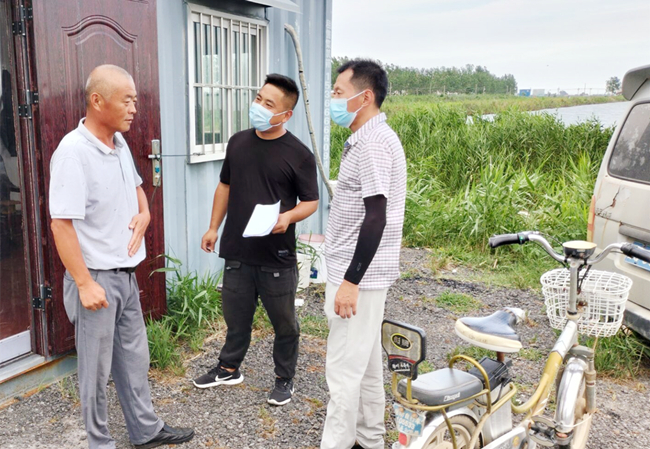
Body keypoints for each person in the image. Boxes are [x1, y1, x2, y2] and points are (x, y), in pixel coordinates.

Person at [49, 64, 194, 449]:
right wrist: (84, 284)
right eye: (126, 100)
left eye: (135, 100)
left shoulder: (119, 144)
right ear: (97, 101)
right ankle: (100, 443)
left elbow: (136, 187)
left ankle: (145, 430)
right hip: (95, 278)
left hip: (125, 276)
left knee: (134, 361)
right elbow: (61, 225)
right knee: (95, 374)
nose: (134, 108)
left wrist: (144, 213)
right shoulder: (73, 153)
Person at [193, 74, 319, 406]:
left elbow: (311, 201)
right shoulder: (238, 142)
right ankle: (228, 368)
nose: (258, 106)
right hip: (238, 249)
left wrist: (288, 217)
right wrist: (213, 227)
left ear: (285, 114)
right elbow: (225, 186)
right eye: (258, 99)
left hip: (276, 255)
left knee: (284, 323)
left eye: (268, 104)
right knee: (236, 317)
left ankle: (284, 378)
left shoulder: (299, 154)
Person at [321, 59, 407, 449]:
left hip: (358, 279)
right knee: (367, 368)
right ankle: (370, 439)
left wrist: (350, 282)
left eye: (339, 92)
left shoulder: (372, 144)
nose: (333, 99)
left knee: (342, 373)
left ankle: (338, 443)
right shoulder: (369, 139)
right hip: (361, 276)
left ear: (365, 96)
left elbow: (376, 216)